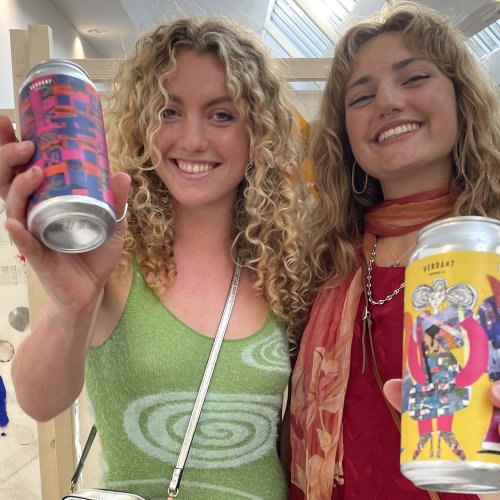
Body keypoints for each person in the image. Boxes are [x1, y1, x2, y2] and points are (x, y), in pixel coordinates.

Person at [0, 17, 313, 500]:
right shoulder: (112, 255)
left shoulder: (284, 267)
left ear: (259, 134)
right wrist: (69, 307)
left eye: (221, 115)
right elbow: (38, 401)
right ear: (142, 125)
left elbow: (288, 441)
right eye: (169, 111)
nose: (191, 139)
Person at [288, 2, 500, 499]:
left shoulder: (493, 250)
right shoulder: (326, 262)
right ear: (345, 136)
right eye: (360, 97)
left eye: (413, 77)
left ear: (461, 98)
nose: (387, 101)